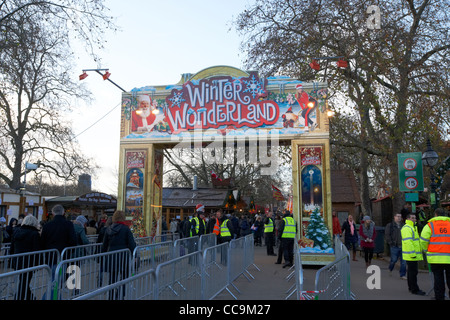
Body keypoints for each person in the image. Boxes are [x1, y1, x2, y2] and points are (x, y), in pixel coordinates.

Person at [102, 210, 136, 295]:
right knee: (124, 277)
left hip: (111, 256)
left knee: (112, 278)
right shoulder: (126, 229)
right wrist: (135, 255)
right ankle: (121, 294)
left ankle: (111, 295)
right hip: (123, 256)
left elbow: (104, 245)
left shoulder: (109, 229)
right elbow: (132, 244)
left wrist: (102, 257)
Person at [420, 208, 450, 300]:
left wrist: (426, 250)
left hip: (435, 258)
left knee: (438, 279)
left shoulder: (429, 226)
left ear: (435, 215)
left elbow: (423, 240)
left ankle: (440, 297)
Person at [10, 215, 41, 300]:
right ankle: (19, 297)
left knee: (24, 281)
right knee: (25, 282)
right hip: (29, 261)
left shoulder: (16, 232)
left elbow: (12, 248)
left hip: (18, 260)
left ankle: (30, 297)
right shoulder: (34, 234)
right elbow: (37, 249)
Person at [401, 212, 425, 295]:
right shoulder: (408, 228)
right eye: (412, 218)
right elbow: (408, 242)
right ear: (408, 219)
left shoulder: (411, 227)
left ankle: (411, 288)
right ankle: (414, 289)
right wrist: (413, 254)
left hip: (412, 255)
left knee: (411, 273)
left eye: (415, 218)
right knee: (413, 273)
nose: (414, 219)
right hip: (412, 255)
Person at [385, 213, 406, 279]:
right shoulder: (390, 225)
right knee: (394, 260)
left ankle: (402, 275)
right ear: (394, 217)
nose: (399, 218)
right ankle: (390, 268)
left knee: (403, 262)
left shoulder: (403, 225)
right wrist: (390, 243)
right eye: (398, 216)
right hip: (394, 245)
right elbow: (387, 234)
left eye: (400, 216)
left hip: (403, 245)